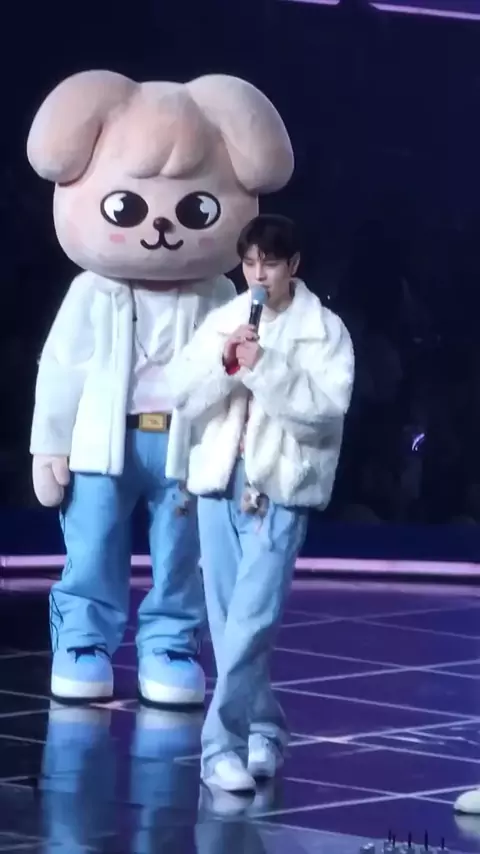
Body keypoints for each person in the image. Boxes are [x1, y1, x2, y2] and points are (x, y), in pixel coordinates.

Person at [27, 72, 294, 705]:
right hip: (102, 446)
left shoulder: (221, 295)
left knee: (182, 554)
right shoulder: (92, 292)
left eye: (196, 210)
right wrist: (49, 443)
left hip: (188, 448)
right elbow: (61, 368)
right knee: (93, 543)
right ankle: (83, 641)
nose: (162, 227)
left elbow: (240, 376)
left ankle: (171, 643)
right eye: (128, 209)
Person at [165, 214, 355, 791]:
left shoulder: (324, 331)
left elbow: (324, 415)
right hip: (219, 483)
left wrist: (265, 368)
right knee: (229, 626)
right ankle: (265, 728)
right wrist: (226, 364)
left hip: (280, 487)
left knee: (253, 620)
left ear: (292, 265)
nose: (257, 275)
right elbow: (182, 395)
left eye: (269, 264)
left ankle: (218, 747)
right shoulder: (225, 319)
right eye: (249, 264)